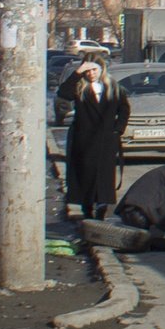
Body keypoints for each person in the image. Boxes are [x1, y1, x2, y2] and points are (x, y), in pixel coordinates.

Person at [58, 59, 130, 219]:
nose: (91, 74)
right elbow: (63, 93)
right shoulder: (79, 87)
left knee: (104, 175)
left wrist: (118, 129)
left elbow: (124, 109)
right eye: (87, 71)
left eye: (94, 70)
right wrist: (77, 73)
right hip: (84, 139)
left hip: (106, 139)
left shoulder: (113, 87)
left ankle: (102, 205)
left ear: (101, 69)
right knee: (86, 174)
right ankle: (87, 207)